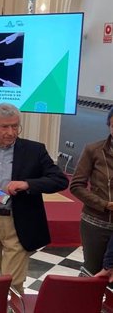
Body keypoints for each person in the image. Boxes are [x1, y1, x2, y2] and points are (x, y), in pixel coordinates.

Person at [0, 102, 68, 294]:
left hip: (19, 221)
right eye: (5, 127)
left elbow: (59, 180)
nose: (11, 132)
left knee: (13, 281)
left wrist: (28, 184)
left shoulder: (35, 150)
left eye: (15, 126)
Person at [70, 107, 113, 274]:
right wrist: (104, 204)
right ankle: (86, 301)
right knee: (93, 271)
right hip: (96, 223)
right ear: (108, 126)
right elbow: (76, 186)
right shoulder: (94, 150)